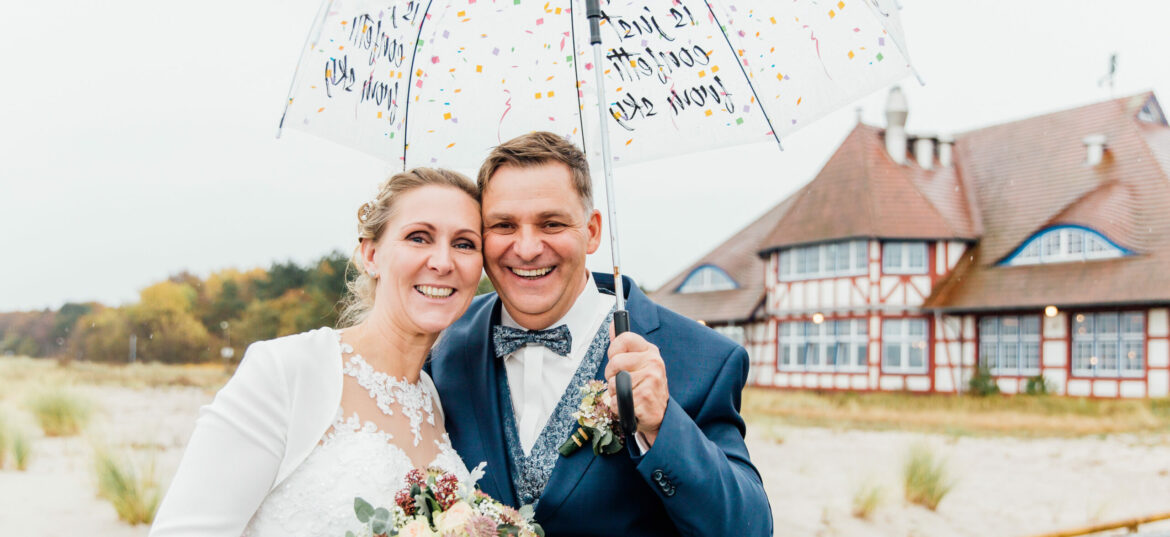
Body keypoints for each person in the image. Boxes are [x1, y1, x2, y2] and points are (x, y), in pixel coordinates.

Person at [428, 132, 773, 536]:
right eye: (503, 225)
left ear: (592, 231)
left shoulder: (703, 358)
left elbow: (748, 529)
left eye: (551, 223)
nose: (525, 248)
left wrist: (662, 427)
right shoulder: (444, 341)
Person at [150, 168, 484, 537]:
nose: (443, 261)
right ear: (371, 254)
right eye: (418, 237)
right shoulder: (286, 370)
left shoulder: (432, 399)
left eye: (465, 244)